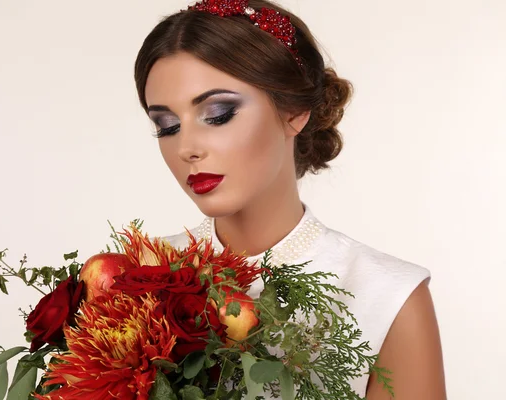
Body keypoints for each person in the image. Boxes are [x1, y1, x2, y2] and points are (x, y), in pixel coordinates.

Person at [133, 0, 447, 398]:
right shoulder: (138, 275)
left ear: (294, 111)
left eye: (218, 114)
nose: (187, 148)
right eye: (168, 126)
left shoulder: (386, 295)